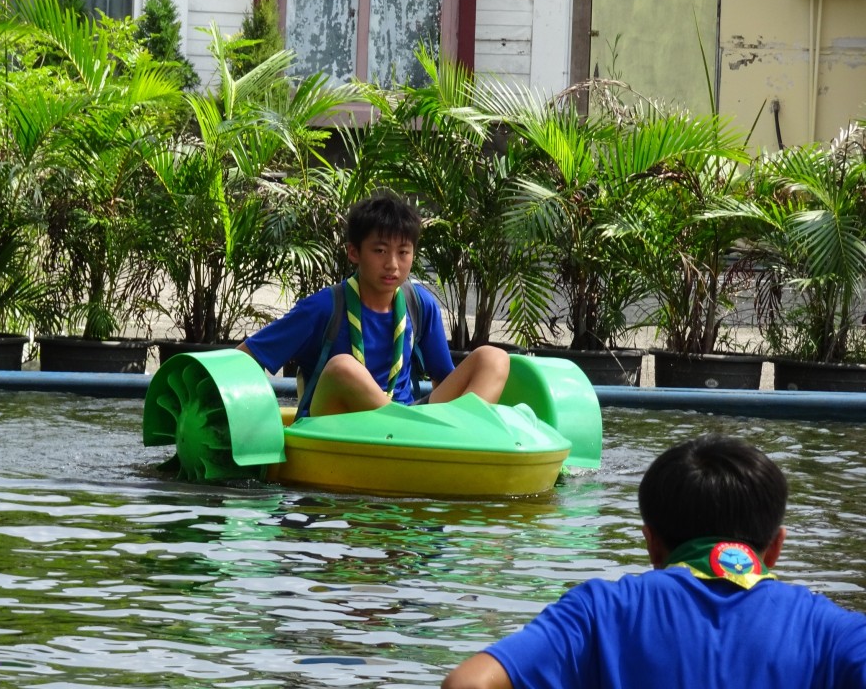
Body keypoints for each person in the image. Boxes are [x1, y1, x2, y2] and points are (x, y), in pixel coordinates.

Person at [442, 435, 866, 689]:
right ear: (775, 547)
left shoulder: (598, 611)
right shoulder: (833, 630)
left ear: (652, 544)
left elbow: (467, 683)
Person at [238, 193, 509, 417]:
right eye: (380, 251)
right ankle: (409, 432)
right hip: (340, 426)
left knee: (493, 358)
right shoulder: (323, 307)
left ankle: (463, 440)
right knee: (343, 366)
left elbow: (444, 378)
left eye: (403, 252)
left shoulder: (419, 304)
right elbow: (244, 357)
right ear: (354, 252)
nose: (392, 264)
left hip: (410, 421)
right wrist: (255, 422)